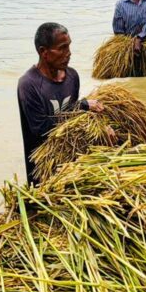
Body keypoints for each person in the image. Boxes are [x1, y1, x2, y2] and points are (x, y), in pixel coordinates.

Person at [16, 22, 105, 184]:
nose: (68, 53)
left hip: (71, 166)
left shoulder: (72, 77)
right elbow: (42, 129)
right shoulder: (29, 85)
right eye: (62, 48)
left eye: (69, 47)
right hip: (42, 171)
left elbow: (74, 121)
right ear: (44, 52)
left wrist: (101, 128)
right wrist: (82, 106)